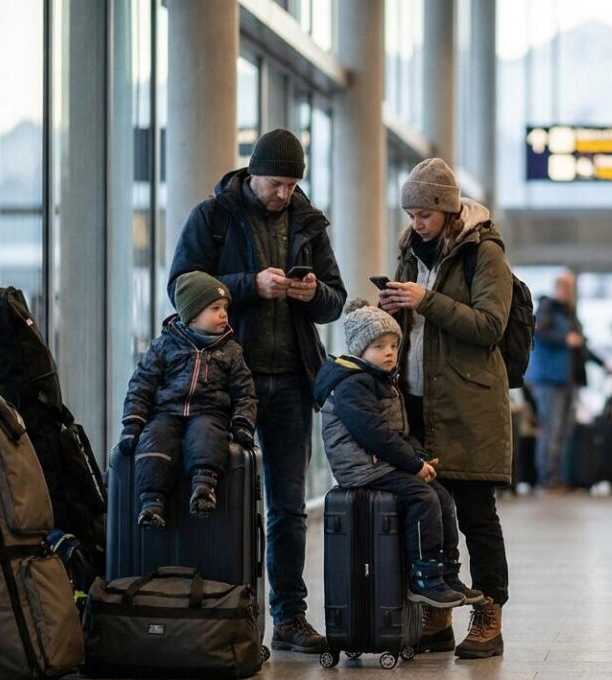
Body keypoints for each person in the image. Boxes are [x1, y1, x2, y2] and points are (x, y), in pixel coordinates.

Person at [166, 128, 345, 653]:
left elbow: (335, 300)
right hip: (225, 381)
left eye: (291, 185)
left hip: (291, 380)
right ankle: (223, 614)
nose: (282, 194)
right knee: (220, 501)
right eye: (274, 183)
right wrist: (248, 286)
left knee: (289, 506)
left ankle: (290, 617)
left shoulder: (309, 223)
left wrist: (313, 294)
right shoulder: (214, 215)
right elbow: (181, 286)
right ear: (253, 173)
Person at [378, 158, 512, 659]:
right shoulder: (409, 251)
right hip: (414, 398)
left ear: (446, 209)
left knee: (475, 513)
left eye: (424, 214)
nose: (415, 222)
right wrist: (389, 309)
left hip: (468, 401)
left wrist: (426, 299)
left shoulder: (485, 253)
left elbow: (489, 326)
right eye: (410, 213)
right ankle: (438, 614)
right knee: (430, 508)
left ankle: (489, 615)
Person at [315, 299, 483, 607]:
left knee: (442, 497)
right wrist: (411, 464)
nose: (390, 352)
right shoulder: (352, 384)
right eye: (379, 345)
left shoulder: (380, 381)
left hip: (382, 463)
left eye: (393, 344)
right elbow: (372, 434)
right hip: (363, 467)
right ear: (359, 349)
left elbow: (400, 432)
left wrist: (419, 459)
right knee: (422, 498)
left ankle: (447, 574)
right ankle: (425, 579)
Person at [119, 272, 257, 527]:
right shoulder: (164, 345)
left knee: (207, 433)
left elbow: (245, 392)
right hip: (167, 413)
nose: (224, 314)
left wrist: (242, 424)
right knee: (155, 439)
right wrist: (133, 423)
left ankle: (204, 487)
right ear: (192, 314)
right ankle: (152, 502)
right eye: (215, 308)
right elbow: (141, 384)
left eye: (225, 308)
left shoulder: (231, 350)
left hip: (209, 412)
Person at [526, 271, 604, 491]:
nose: (569, 292)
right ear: (558, 288)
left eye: (571, 288)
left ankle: (558, 476)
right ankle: (546, 477)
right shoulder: (547, 309)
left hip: (568, 380)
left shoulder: (570, 314)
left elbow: (580, 346)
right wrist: (564, 339)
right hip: (549, 380)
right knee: (551, 429)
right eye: (565, 287)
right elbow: (540, 333)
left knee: (563, 431)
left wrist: (604, 364)